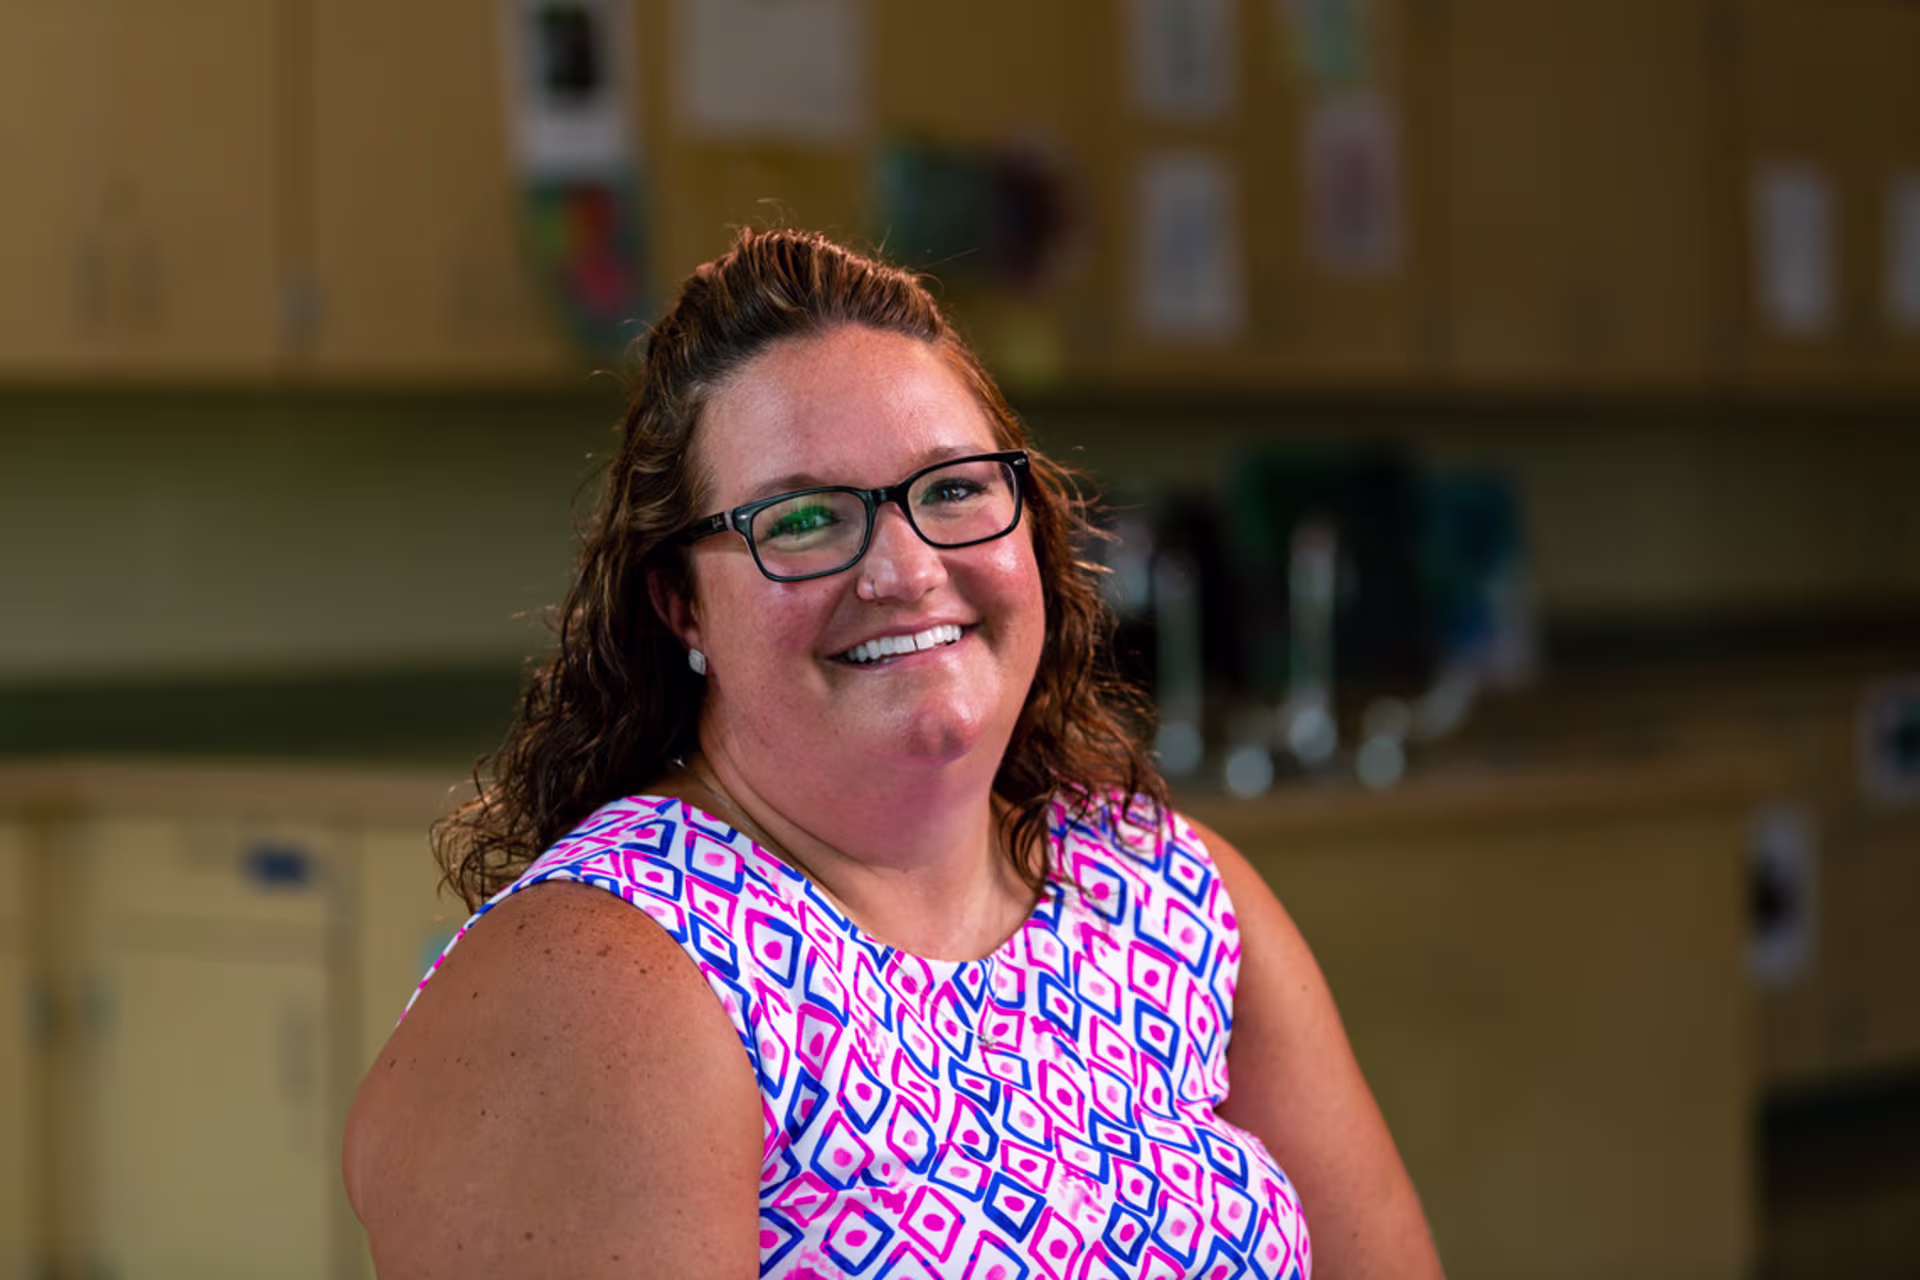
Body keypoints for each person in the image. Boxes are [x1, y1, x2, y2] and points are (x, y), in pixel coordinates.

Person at [342, 228, 1440, 1279]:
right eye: (807, 518)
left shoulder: (1169, 891)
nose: (905, 569)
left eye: (955, 488)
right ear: (682, 604)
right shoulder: (602, 983)